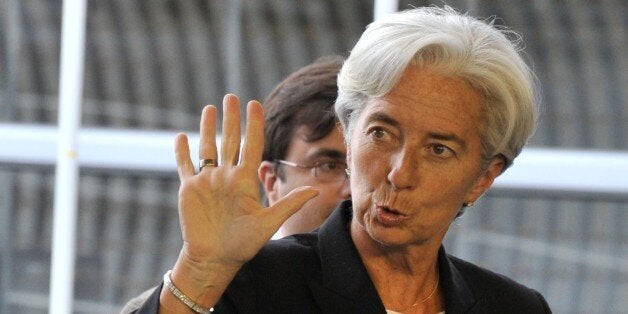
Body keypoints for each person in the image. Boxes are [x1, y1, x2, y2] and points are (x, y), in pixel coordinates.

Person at [134, 6, 551, 313]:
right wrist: (200, 269)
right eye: (381, 134)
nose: (399, 173)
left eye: (438, 149)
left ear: (483, 177)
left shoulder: (515, 307)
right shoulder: (253, 283)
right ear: (350, 137)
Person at [120, 57, 349, 313]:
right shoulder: (179, 301)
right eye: (328, 166)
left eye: (362, 169)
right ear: (272, 182)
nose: (352, 189)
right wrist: (200, 271)